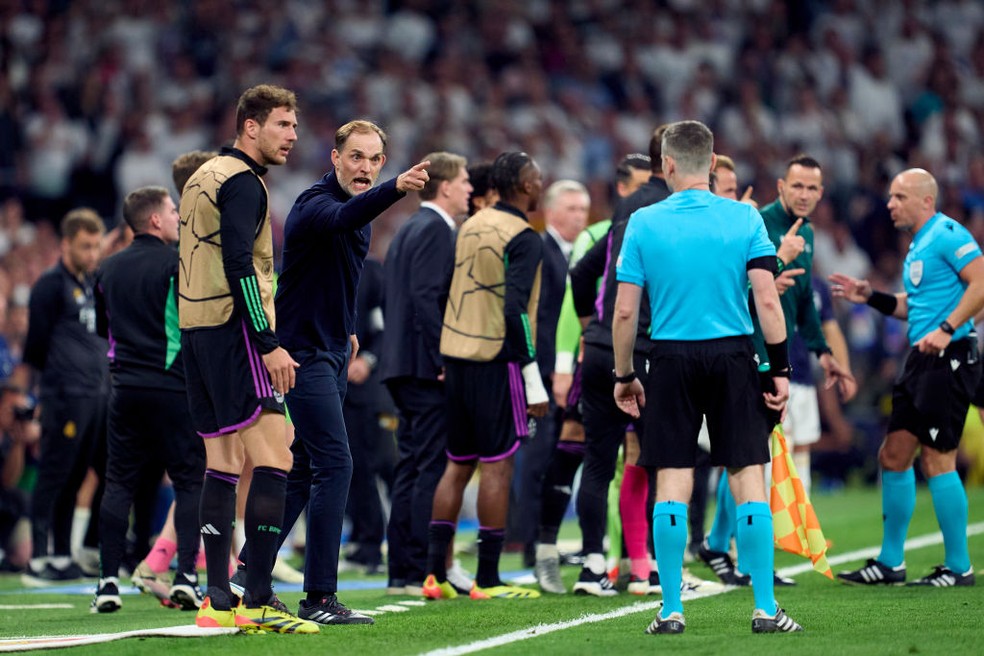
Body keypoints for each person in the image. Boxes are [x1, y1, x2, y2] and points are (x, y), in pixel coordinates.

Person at [238, 119, 429, 626]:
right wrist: (396, 189)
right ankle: (319, 596)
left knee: (301, 470)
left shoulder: (353, 208)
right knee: (336, 465)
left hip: (330, 350)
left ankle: (245, 572)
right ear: (336, 158)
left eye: (374, 160)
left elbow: (332, 277)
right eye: (356, 157)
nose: (364, 167)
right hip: (301, 354)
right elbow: (343, 219)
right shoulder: (313, 203)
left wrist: (345, 331)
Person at [613, 120, 801, 634]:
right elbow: (767, 298)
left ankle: (670, 609)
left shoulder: (644, 222)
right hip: (734, 356)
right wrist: (779, 369)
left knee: (672, 479)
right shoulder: (744, 219)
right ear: (714, 165)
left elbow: (625, 313)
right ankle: (765, 608)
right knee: (746, 478)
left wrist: (625, 374)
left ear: (667, 165)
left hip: (670, 358)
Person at [177, 84, 317, 634]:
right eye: (283, 124)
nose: (292, 136)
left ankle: (215, 601)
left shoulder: (200, 177)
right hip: (238, 333)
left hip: (197, 333)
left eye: (295, 126)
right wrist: (268, 342)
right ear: (251, 126)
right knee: (276, 455)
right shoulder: (243, 182)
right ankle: (258, 597)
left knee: (221, 464)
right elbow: (240, 264)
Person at [832, 168, 984, 587]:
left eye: (899, 197)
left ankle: (959, 567)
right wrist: (871, 297)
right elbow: (913, 306)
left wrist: (948, 327)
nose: (890, 204)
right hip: (922, 361)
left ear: (925, 201)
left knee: (938, 459)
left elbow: (982, 282)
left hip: (948, 358)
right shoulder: (919, 245)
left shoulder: (949, 233)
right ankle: (890, 562)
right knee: (893, 455)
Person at [422, 151, 546, 601]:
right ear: (525, 186)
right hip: (497, 360)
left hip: (456, 356)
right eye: (536, 178)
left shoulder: (468, 226)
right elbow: (516, 310)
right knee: (498, 465)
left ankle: (436, 575)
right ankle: (489, 578)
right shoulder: (523, 236)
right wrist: (531, 376)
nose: (540, 184)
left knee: (457, 465)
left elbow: (443, 294)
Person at [534, 154, 650, 595]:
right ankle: (549, 550)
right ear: (623, 190)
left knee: (635, 461)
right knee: (575, 451)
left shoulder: (639, 228)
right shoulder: (601, 235)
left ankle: (625, 560)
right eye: (640, 187)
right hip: (599, 357)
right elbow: (572, 296)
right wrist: (568, 358)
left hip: (622, 353)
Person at [91, 186, 206, 613]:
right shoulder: (178, 264)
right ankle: (187, 578)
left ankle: (106, 582)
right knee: (191, 480)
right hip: (173, 387)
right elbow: (192, 325)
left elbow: (104, 331)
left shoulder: (106, 269)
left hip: (124, 390)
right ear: (154, 220)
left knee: (118, 482)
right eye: (173, 211)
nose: (178, 216)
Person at [566, 126, 670, 598]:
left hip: (601, 345)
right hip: (646, 347)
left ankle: (593, 567)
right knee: (661, 462)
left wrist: (594, 324)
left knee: (598, 462)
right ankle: (652, 568)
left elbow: (582, 272)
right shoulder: (672, 208)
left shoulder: (626, 207)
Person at [380, 151, 473, 596]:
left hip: (400, 362)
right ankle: (419, 567)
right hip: (423, 365)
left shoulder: (407, 229)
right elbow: (425, 296)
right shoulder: (437, 229)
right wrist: (443, 357)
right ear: (447, 186)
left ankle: (402, 567)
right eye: (466, 180)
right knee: (429, 467)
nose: (470, 188)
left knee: (412, 464)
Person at [130, 150, 218, 606]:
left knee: (209, 470)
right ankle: (178, 561)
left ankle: (167, 560)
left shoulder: (187, 243)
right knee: (204, 471)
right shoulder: (188, 247)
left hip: (179, 372)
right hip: (188, 371)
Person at [22, 208, 108, 586]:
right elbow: (36, 346)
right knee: (54, 474)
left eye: (95, 246)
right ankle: (39, 557)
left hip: (95, 394)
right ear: (65, 244)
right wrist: (45, 389)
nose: (92, 254)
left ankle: (61, 554)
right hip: (64, 395)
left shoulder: (92, 283)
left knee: (76, 477)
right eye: (85, 246)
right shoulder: (48, 285)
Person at [510, 179, 589, 567]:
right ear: (552, 212)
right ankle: (529, 545)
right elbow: (531, 313)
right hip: (542, 371)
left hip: (568, 373)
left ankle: (546, 542)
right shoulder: (542, 250)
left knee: (559, 458)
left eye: (583, 210)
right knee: (538, 460)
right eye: (572, 209)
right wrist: (535, 371)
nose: (579, 216)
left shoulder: (576, 254)